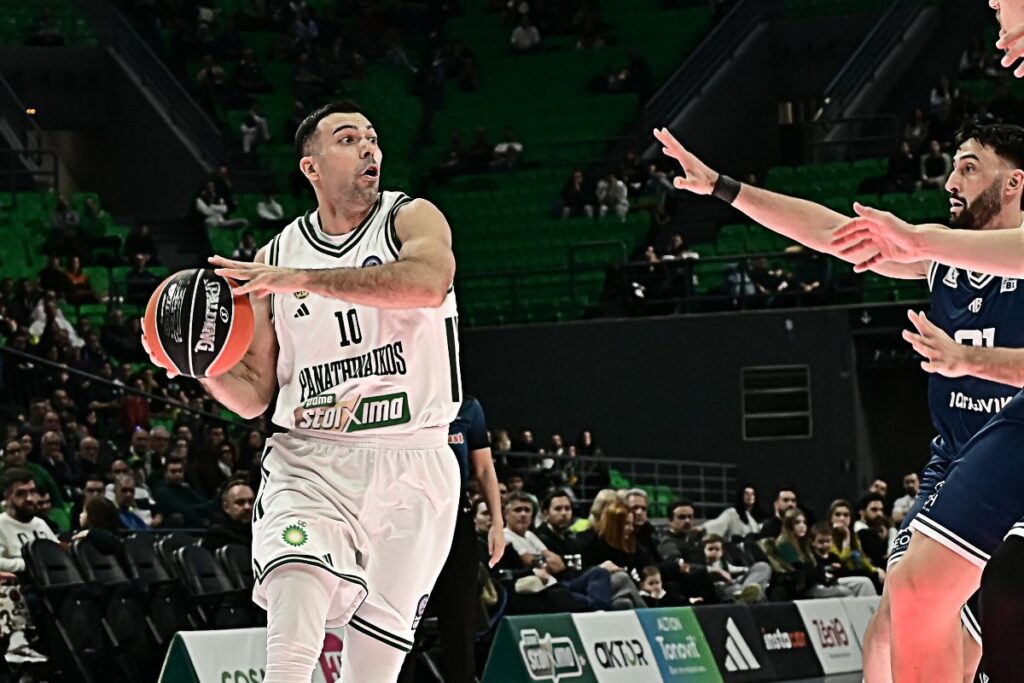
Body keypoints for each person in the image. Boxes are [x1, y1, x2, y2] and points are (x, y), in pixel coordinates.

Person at [655, 121, 1022, 683]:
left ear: (1014, 182)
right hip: (956, 463)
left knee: (972, 627)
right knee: (889, 629)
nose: (952, 181)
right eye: (953, 166)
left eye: (969, 168)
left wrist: (970, 360)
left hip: (1013, 464)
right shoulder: (944, 256)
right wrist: (723, 188)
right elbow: (832, 233)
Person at [143, 100, 467, 682]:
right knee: (295, 610)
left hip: (415, 463)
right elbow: (254, 394)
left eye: (372, 137)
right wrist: (199, 366)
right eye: (348, 139)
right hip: (311, 460)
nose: (369, 147)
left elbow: (428, 283)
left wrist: (301, 280)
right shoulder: (274, 257)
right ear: (311, 167)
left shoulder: (410, 218)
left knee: (372, 672)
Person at [400, 395, 503, 683]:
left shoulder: (468, 407)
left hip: (457, 520)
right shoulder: (405, 395)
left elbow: (484, 469)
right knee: (405, 624)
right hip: (409, 521)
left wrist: (497, 523)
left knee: (459, 625)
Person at [703, 534, 769, 603]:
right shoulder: (701, 564)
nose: (714, 552)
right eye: (710, 549)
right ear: (703, 550)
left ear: (722, 552)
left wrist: (745, 569)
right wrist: (718, 571)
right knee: (740, 589)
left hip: (733, 584)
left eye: (717, 549)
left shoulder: (723, 562)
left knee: (763, 566)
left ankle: (750, 590)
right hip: (721, 589)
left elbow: (732, 568)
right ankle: (750, 593)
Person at [201, 480, 255, 552]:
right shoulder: (216, 536)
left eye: (251, 502)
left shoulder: (259, 531)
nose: (247, 507)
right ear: (226, 507)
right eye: (240, 502)